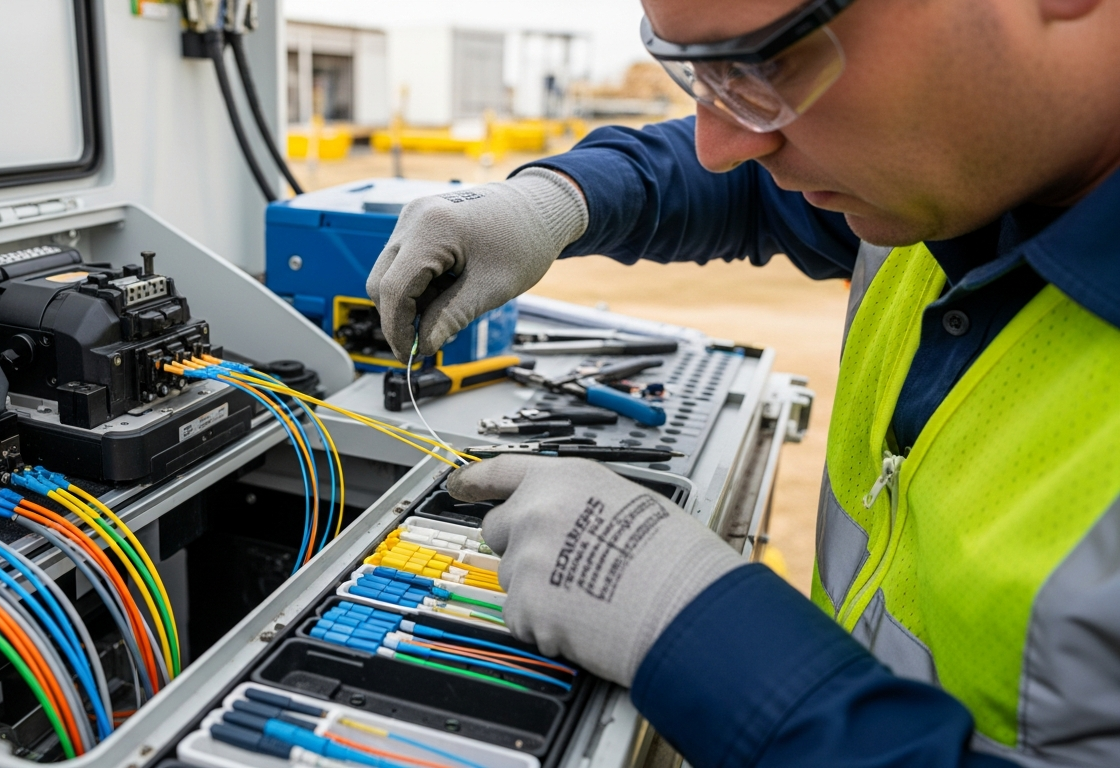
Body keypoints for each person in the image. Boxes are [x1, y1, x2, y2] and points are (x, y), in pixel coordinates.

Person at [365, 0, 1120, 765]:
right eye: (700, 73)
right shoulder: (945, 173)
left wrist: (720, 650)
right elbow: (753, 185)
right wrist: (562, 198)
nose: (720, 143)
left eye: (768, 63)